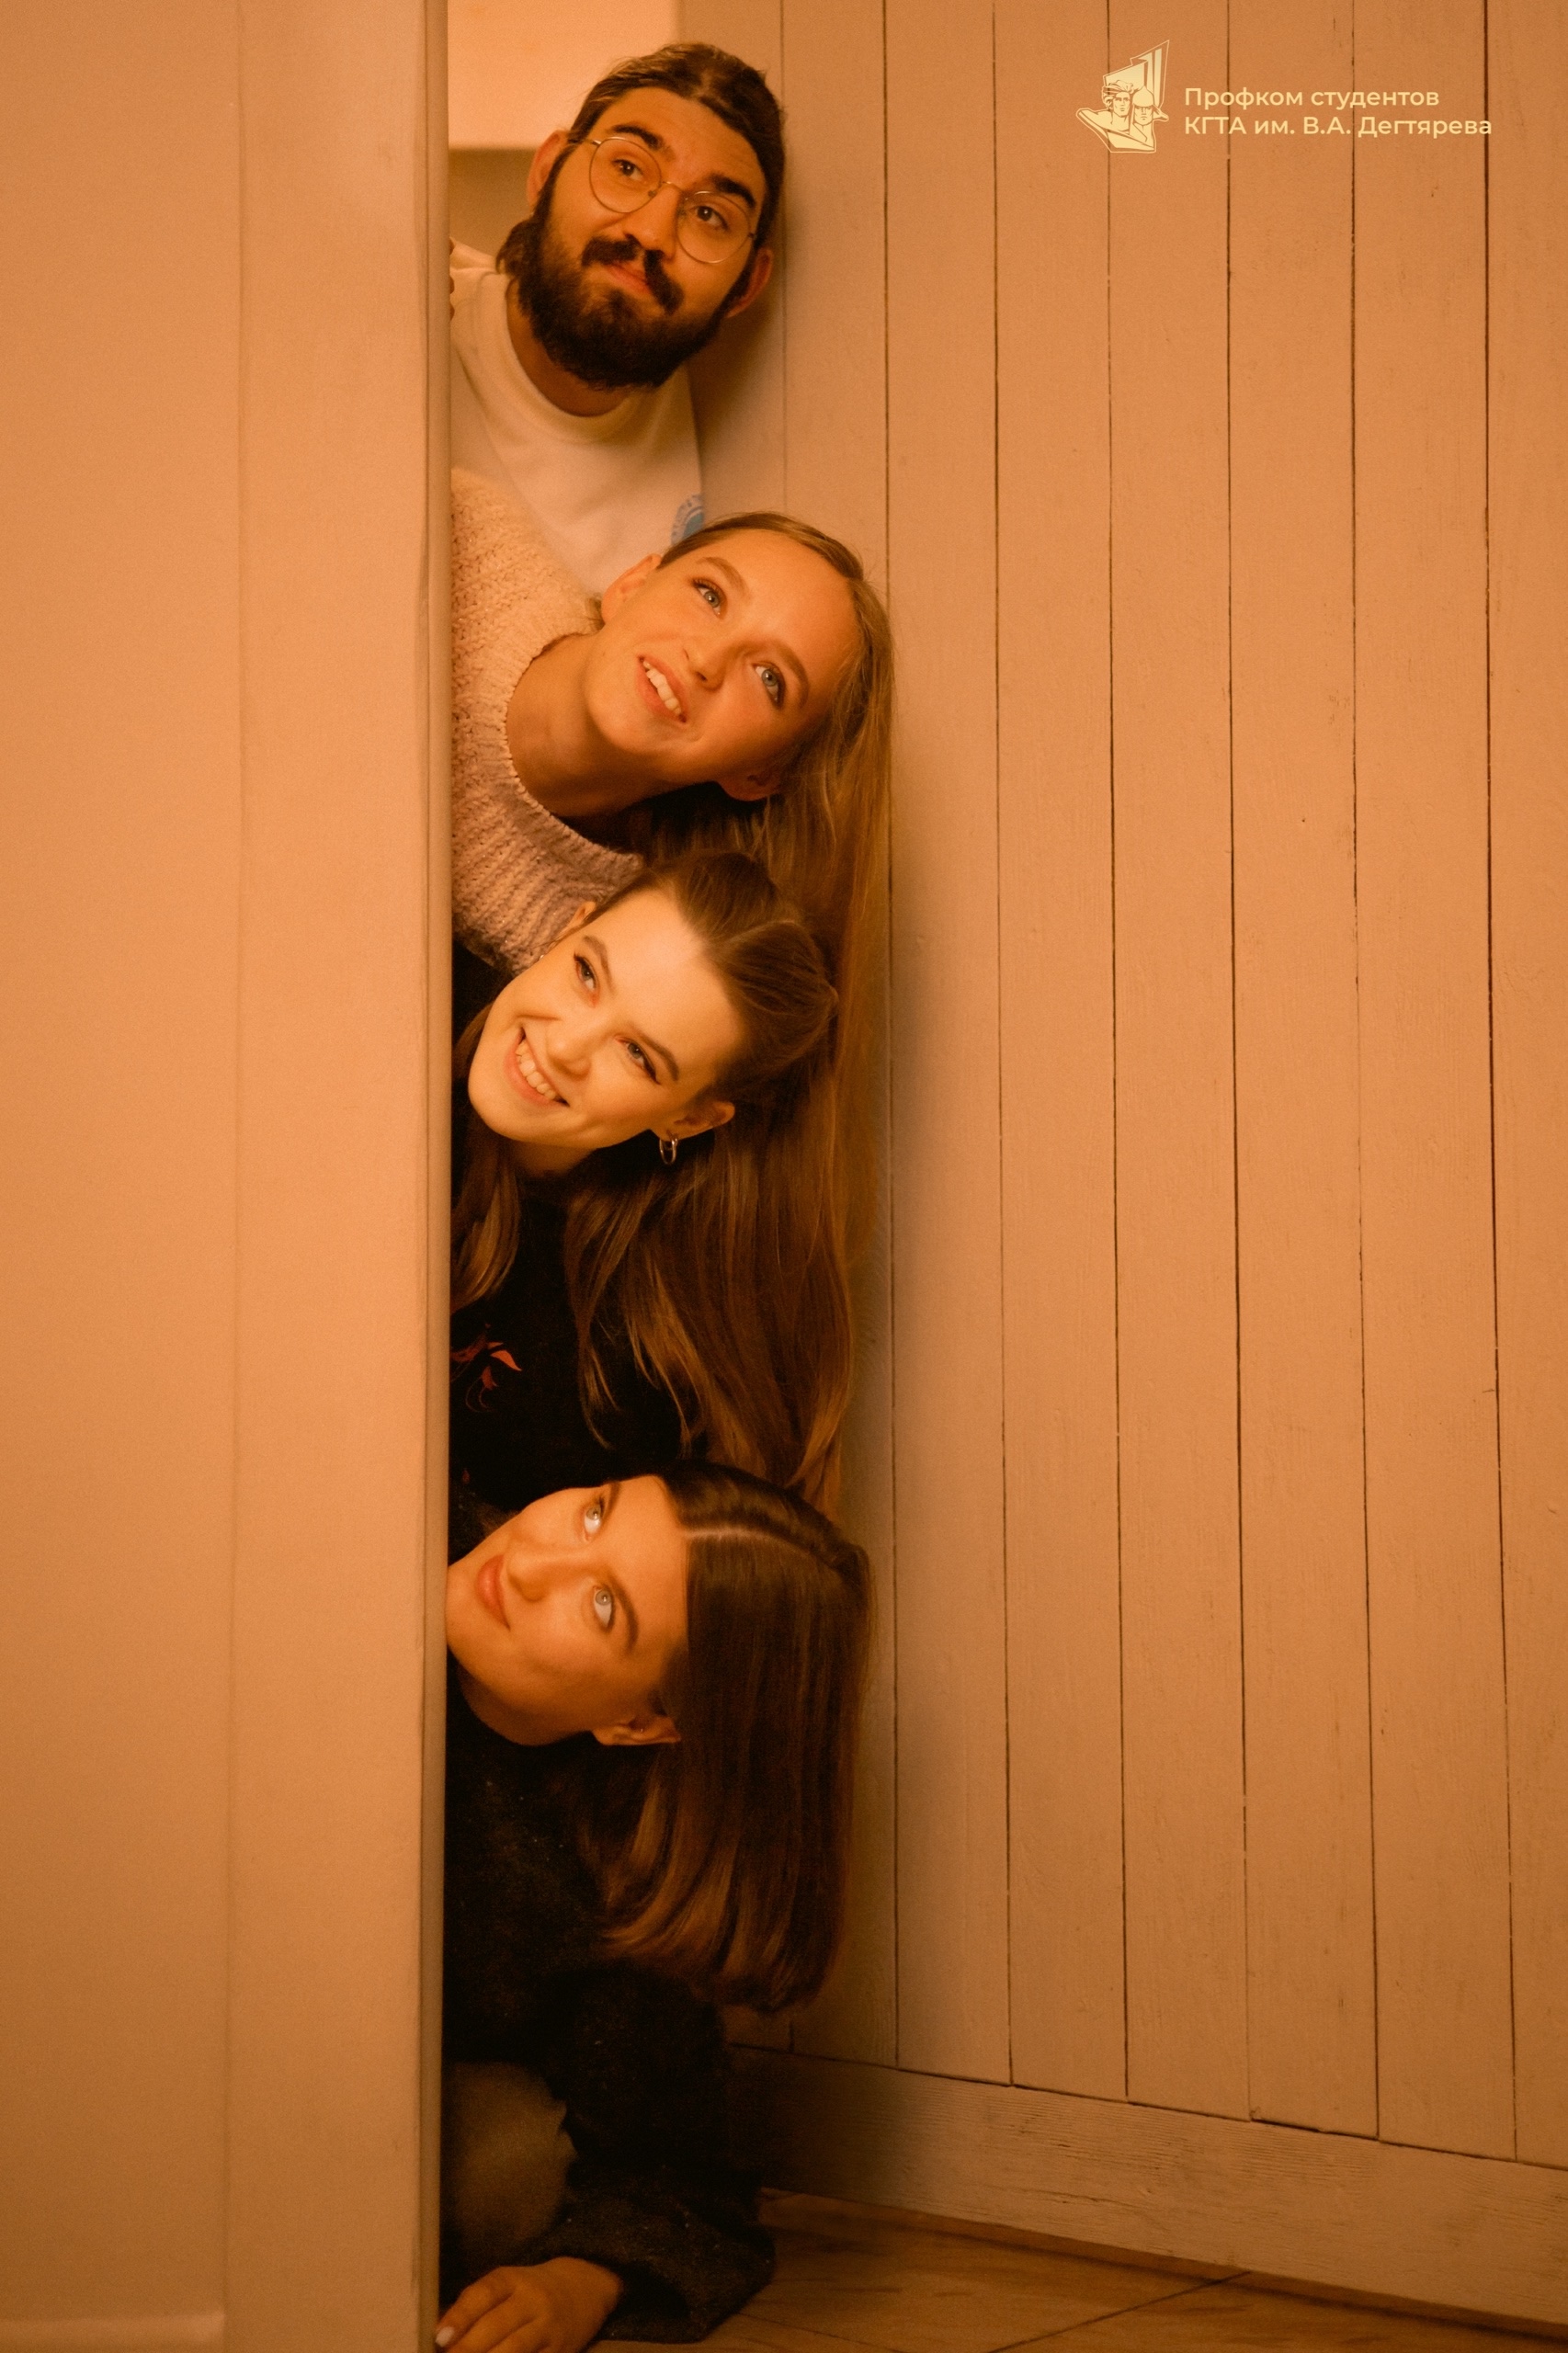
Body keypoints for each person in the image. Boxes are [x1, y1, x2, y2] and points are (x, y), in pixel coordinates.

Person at [437, 1464, 871, 2349]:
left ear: (640, 1723)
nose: (530, 1562)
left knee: (502, 2166)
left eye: (603, 1608)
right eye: (593, 1513)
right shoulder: (393, 1495)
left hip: (362, 2099)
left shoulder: (598, 1887)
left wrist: (584, 2276)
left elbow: (684, 2179)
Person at [452, 852, 849, 1518]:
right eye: (586, 975)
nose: (566, 1048)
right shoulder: (393, 976)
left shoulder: (612, 1379)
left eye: (637, 1055)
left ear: (688, 1117)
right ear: (567, 928)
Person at [450, 467, 892, 1054]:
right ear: (633, 584)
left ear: (759, 775)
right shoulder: (458, 538)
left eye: (769, 679)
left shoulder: (618, 962)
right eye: (711, 596)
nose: (707, 658)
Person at [451, 44, 783, 595]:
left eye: (709, 215)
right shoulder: (413, 328)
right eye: (627, 167)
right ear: (547, 171)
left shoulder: (729, 430)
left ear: (747, 284)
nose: (651, 232)